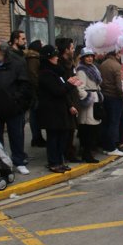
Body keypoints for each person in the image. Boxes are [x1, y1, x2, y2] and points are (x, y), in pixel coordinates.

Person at [0, 35, 32, 174]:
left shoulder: (17, 63)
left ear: (2, 51)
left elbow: (24, 84)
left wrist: (17, 100)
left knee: (17, 136)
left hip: (13, 108)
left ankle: (19, 161)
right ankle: (0, 164)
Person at [37, 45, 81, 173]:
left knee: (62, 137)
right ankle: (53, 162)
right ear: (48, 58)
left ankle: (60, 161)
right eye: (54, 56)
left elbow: (63, 91)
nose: (57, 58)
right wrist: (70, 84)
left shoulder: (56, 72)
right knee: (53, 138)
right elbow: (57, 91)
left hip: (61, 110)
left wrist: (70, 102)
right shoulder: (45, 73)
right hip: (51, 111)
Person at [76, 48, 102, 163]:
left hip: (95, 99)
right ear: (82, 58)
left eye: (91, 56)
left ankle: (89, 152)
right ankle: (86, 154)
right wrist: (87, 98)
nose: (90, 58)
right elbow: (80, 88)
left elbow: (97, 84)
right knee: (88, 129)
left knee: (93, 128)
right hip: (89, 101)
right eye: (87, 56)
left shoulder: (93, 68)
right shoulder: (81, 70)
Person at [56, 37, 81, 162]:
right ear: (66, 50)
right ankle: (66, 154)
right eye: (71, 48)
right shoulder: (60, 65)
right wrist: (70, 104)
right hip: (66, 101)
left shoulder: (70, 63)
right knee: (66, 130)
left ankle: (69, 152)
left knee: (71, 129)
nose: (73, 50)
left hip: (73, 97)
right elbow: (63, 86)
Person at [99, 50, 123, 157]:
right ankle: (111, 147)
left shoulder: (103, 64)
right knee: (114, 123)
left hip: (105, 95)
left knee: (107, 123)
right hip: (115, 97)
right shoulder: (117, 66)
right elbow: (120, 87)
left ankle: (106, 146)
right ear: (117, 54)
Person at [26, 39, 46, 147]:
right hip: (34, 91)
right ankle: (36, 138)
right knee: (34, 115)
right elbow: (33, 75)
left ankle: (37, 137)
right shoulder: (33, 59)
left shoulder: (35, 57)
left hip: (34, 90)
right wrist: (39, 87)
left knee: (36, 115)